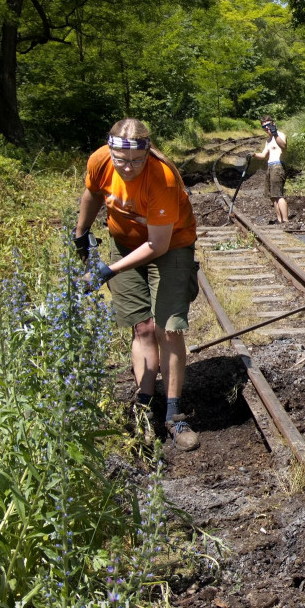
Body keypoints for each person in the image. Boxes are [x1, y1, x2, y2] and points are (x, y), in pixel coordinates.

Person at [74, 118, 200, 452]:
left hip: (170, 245)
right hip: (124, 242)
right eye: (121, 160)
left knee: (168, 328)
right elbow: (92, 194)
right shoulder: (101, 160)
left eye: (136, 161)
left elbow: (157, 245)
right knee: (142, 328)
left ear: (147, 154)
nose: (128, 167)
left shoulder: (163, 178)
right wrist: (81, 235)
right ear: (111, 150)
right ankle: (144, 404)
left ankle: (173, 414)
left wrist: (108, 270)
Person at [252, 115, 288, 224]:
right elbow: (263, 155)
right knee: (272, 196)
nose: (266, 128)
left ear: (273, 123)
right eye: (264, 127)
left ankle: (285, 220)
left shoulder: (280, 135)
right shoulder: (268, 141)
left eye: (268, 125)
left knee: (278, 194)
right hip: (270, 166)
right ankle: (279, 219)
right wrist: (253, 154)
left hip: (278, 166)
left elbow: (284, 145)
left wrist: (275, 133)